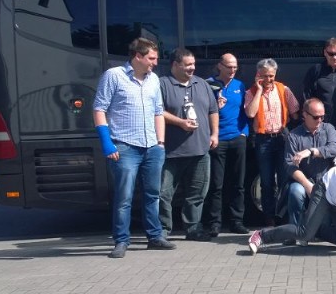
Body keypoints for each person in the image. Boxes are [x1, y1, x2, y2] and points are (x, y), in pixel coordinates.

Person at [93, 37, 176, 258]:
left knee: (153, 194)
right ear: (138, 56)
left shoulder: (153, 79)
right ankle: (121, 240)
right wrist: (107, 143)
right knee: (124, 197)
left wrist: (160, 143)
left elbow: (158, 111)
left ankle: (155, 236)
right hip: (125, 146)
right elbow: (99, 109)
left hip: (152, 146)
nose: (155, 63)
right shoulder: (114, 76)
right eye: (151, 58)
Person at [158, 48, 219, 240]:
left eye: (193, 64)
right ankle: (162, 231)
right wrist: (180, 123)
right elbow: (157, 111)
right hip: (171, 152)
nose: (192, 68)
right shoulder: (162, 84)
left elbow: (213, 110)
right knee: (163, 194)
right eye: (188, 64)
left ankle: (193, 229)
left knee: (197, 193)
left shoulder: (202, 84)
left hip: (200, 150)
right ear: (175, 65)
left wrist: (215, 134)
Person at [244, 58, 301, 225]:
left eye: (271, 76)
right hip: (263, 140)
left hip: (282, 138)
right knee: (266, 181)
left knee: (284, 178)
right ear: (258, 75)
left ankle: (283, 216)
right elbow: (250, 113)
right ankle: (269, 218)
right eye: (265, 76)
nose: (268, 79)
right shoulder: (251, 92)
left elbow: (295, 112)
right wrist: (259, 91)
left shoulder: (284, 89)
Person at [204, 53, 250, 236]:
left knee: (238, 183)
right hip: (218, 139)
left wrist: (244, 133)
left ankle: (237, 221)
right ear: (220, 66)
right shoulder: (208, 84)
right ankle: (215, 223)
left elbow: (244, 111)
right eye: (229, 67)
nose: (232, 70)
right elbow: (202, 110)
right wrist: (216, 106)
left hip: (237, 137)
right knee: (216, 184)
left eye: (235, 67)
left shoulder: (240, 85)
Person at [280, 98, 336, 226]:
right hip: (304, 180)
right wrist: (306, 184)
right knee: (295, 192)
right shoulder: (294, 135)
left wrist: (312, 151)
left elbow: (335, 149)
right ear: (305, 115)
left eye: (322, 117)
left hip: (326, 180)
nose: (319, 120)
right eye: (315, 117)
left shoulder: (328, 129)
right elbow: (290, 165)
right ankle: (295, 229)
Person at [302, 37, 336, 143]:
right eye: (331, 54)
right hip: (321, 127)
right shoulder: (316, 71)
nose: (335, 57)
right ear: (325, 53)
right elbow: (307, 98)